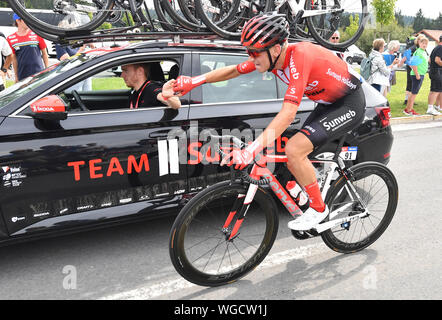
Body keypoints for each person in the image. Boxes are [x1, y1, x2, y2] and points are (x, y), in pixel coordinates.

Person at [172, 13, 366, 231]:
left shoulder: (300, 56)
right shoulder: (272, 60)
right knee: (293, 161)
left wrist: (251, 149)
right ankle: (309, 195)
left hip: (349, 103)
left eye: (255, 52)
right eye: (248, 51)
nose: (251, 57)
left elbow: (288, 113)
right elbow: (234, 70)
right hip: (326, 103)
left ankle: (319, 210)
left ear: (275, 49)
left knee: (293, 149)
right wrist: (194, 81)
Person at [6, 13, 49, 82]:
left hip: (38, 74)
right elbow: (14, 60)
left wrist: (47, 69)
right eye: (25, 20)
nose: (28, 22)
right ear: (18, 20)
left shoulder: (36, 34)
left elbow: (44, 53)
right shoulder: (10, 39)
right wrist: (16, 77)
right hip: (22, 76)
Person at [404, 36, 430, 116]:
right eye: (423, 43)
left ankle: (408, 109)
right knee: (413, 93)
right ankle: (409, 110)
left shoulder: (423, 51)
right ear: (419, 43)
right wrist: (417, 74)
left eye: (426, 43)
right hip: (417, 75)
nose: (424, 45)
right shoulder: (418, 51)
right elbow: (414, 64)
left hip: (421, 74)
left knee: (413, 93)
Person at [404, 34, 425, 106]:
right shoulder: (413, 48)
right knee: (410, 83)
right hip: (411, 67)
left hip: (415, 68)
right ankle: (407, 100)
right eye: (422, 41)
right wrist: (412, 67)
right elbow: (407, 57)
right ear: (418, 41)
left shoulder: (421, 49)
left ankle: (409, 100)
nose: (423, 42)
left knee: (412, 84)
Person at [426, 35, 442, 115]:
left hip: (434, 70)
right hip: (437, 71)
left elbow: (429, 60)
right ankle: (430, 108)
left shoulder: (436, 47)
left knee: (437, 90)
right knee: (435, 90)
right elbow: (437, 60)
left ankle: (436, 107)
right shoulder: (440, 48)